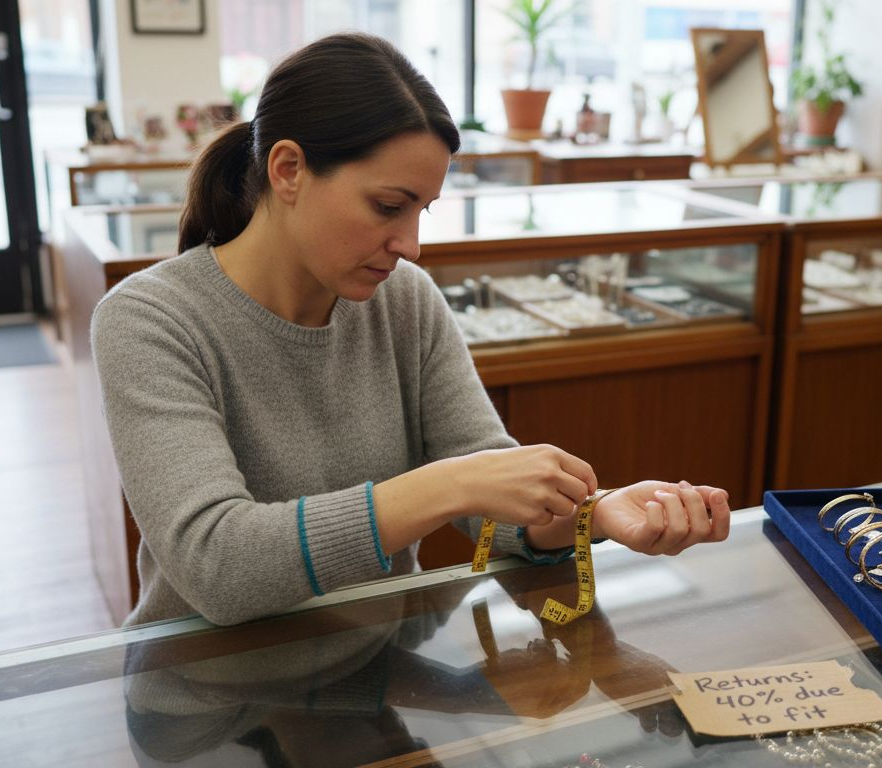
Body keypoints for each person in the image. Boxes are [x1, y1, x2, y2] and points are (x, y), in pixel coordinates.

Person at [91, 32, 732, 628]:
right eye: (388, 207)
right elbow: (217, 567)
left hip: (381, 675)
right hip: (208, 701)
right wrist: (452, 483)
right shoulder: (150, 320)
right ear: (287, 170)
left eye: (421, 211)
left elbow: (490, 490)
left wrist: (594, 516)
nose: (412, 245)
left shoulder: (402, 300)